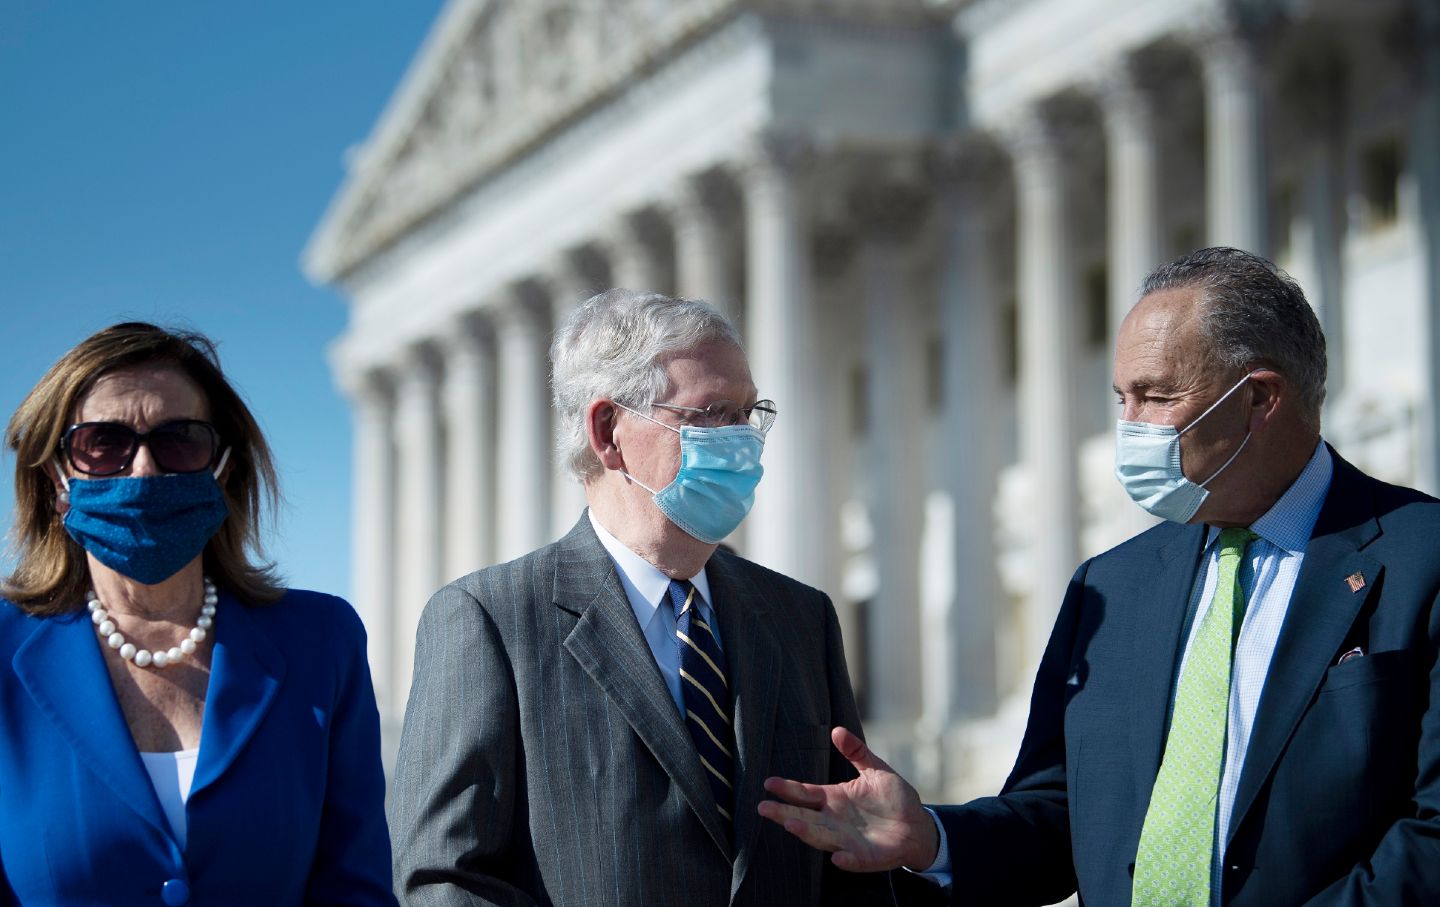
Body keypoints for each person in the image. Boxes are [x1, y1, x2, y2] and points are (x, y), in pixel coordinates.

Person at [757, 247, 1440, 905]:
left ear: (1258, 399)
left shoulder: (1420, 557)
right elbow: (1061, 815)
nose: (1129, 427)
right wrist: (931, 836)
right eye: (1122, 398)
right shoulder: (1110, 587)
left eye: (1154, 396)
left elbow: (1432, 834)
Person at [388, 289, 905, 906]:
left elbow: (847, 859)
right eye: (710, 414)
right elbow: (445, 879)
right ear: (608, 431)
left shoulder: (801, 617)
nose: (742, 440)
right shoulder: (490, 620)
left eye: (749, 413)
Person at [0, 322, 396, 905]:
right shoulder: (7, 653)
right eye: (102, 444)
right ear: (57, 478)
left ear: (224, 468)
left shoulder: (320, 641)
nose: (143, 471)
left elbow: (353, 887)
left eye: (179, 441)